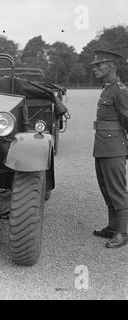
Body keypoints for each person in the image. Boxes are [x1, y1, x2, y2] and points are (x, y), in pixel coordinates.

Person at [91, 49, 128, 248]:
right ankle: (113, 227)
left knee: (117, 190)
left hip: (114, 147)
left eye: (99, 65)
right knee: (106, 188)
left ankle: (123, 232)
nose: (94, 68)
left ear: (112, 66)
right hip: (104, 146)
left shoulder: (120, 90)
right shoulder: (107, 89)